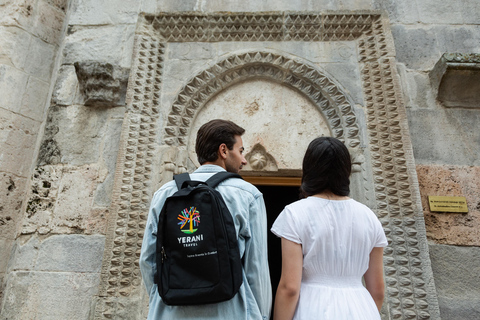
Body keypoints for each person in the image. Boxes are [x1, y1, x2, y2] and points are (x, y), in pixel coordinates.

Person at [139, 119, 272, 320]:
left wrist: (163, 300)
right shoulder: (247, 195)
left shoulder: (165, 193)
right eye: (241, 151)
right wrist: (260, 315)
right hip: (230, 312)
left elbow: (148, 260)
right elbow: (256, 268)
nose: (244, 160)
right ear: (224, 151)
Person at [271, 137, 387, 320]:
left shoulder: (295, 213)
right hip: (361, 309)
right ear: (346, 170)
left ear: (309, 169)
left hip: (312, 308)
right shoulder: (369, 217)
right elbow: (378, 291)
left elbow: (290, 288)